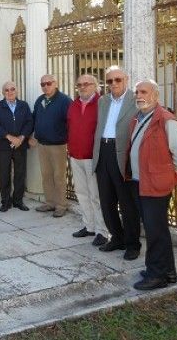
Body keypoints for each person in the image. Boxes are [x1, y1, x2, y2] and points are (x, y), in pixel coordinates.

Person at [129, 80, 177, 290]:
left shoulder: (165, 119)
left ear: (155, 94)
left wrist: (164, 171)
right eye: (137, 92)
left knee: (155, 231)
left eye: (143, 91)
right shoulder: (139, 117)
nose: (139, 95)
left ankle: (157, 276)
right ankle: (167, 271)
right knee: (157, 229)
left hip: (154, 183)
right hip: (140, 182)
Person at [92, 66, 141, 260]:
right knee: (107, 200)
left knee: (127, 202)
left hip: (123, 154)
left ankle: (132, 244)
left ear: (126, 80)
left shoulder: (135, 100)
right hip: (103, 151)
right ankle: (117, 238)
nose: (113, 84)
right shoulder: (103, 101)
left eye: (118, 80)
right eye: (110, 81)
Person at [66, 74, 108, 246]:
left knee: (96, 196)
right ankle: (89, 226)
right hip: (75, 155)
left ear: (95, 85)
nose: (82, 87)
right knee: (82, 194)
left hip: (93, 157)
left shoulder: (102, 103)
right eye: (79, 85)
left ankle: (102, 231)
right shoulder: (74, 105)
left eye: (86, 84)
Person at [30, 75, 72, 217]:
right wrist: (33, 137)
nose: (45, 86)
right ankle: (50, 202)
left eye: (48, 83)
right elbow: (34, 118)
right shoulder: (40, 100)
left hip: (58, 145)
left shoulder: (64, 101)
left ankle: (61, 205)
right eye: (43, 84)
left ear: (55, 83)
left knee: (59, 176)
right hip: (42, 144)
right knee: (46, 175)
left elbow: (71, 123)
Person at [0, 81, 33, 212]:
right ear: (3, 92)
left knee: (20, 174)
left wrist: (21, 138)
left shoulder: (24, 105)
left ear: (17, 91)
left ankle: (18, 201)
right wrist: (9, 137)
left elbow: (29, 123)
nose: (10, 92)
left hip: (21, 145)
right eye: (7, 90)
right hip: (4, 145)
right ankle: (6, 201)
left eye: (12, 89)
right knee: (4, 174)